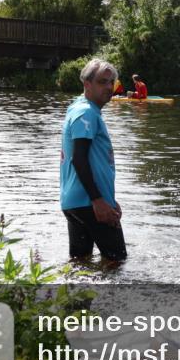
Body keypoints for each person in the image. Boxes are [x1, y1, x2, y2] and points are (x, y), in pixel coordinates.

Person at [60, 58, 126, 262]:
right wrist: (98, 200)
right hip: (89, 202)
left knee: (81, 263)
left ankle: (77, 294)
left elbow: (92, 159)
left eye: (111, 82)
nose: (108, 87)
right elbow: (79, 159)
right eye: (102, 82)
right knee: (116, 262)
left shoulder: (79, 107)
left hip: (75, 202)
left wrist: (108, 198)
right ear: (87, 84)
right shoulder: (86, 113)